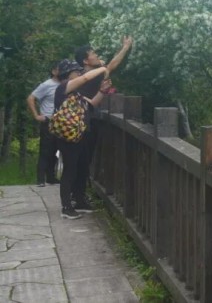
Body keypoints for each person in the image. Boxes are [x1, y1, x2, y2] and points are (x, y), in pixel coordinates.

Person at [72, 36, 133, 211]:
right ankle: (79, 199)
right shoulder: (93, 75)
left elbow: (109, 65)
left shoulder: (81, 75)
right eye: (93, 53)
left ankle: (76, 195)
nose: (97, 55)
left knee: (81, 160)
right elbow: (112, 65)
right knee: (84, 160)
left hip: (80, 121)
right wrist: (125, 47)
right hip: (87, 122)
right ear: (85, 60)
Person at [52, 59, 108, 219]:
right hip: (68, 138)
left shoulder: (75, 94)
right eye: (76, 71)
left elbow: (93, 103)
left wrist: (102, 91)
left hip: (79, 136)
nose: (80, 73)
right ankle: (66, 207)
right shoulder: (63, 87)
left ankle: (79, 200)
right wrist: (103, 68)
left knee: (80, 168)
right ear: (68, 74)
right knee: (70, 170)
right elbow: (85, 79)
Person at [26, 61, 61, 186]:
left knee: (56, 150)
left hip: (61, 122)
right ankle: (40, 178)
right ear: (54, 71)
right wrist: (36, 115)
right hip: (48, 120)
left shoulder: (66, 84)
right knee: (46, 150)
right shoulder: (47, 85)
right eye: (59, 69)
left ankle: (51, 177)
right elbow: (31, 97)